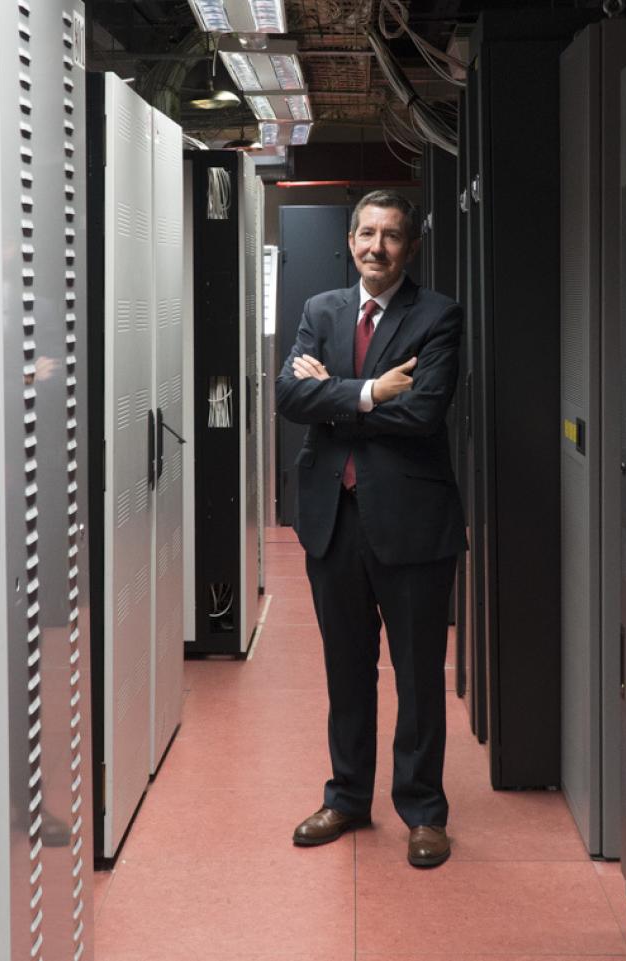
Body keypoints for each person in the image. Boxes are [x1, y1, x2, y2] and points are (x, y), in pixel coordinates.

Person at [274, 189, 467, 868]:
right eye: (365, 233)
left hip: (413, 523)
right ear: (349, 240)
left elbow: (423, 414)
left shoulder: (438, 315)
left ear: (409, 246)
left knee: (417, 675)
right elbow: (289, 395)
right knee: (345, 669)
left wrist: (338, 398)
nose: (375, 246)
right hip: (333, 521)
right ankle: (348, 796)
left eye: (390, 235)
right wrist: (370, 390)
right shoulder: (319, 311)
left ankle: (423, 810)